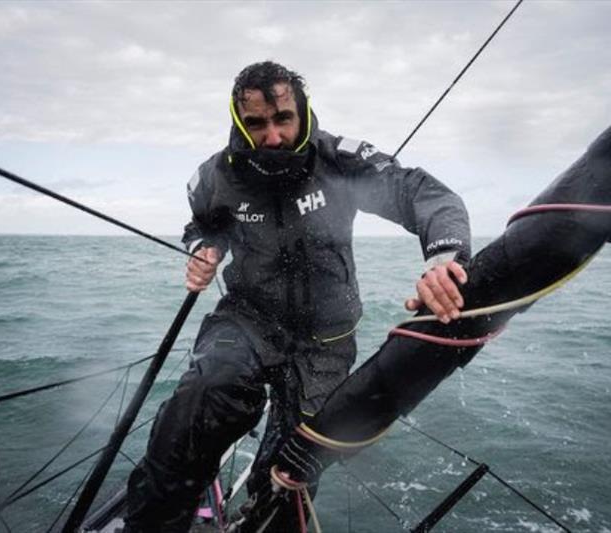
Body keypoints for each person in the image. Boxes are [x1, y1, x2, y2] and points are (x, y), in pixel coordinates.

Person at [125, 61, 471, 532]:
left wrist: (444, 256)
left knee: (293, 471)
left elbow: (420, 194)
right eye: (257, 124)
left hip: (325, 340)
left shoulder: (340, 160)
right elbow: (203, 225)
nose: (272, 137)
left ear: (304, 113)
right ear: (239, 121)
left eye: (283, 119)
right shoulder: (217, 175)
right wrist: (204, 249)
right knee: (206, 392)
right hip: (246, 320)